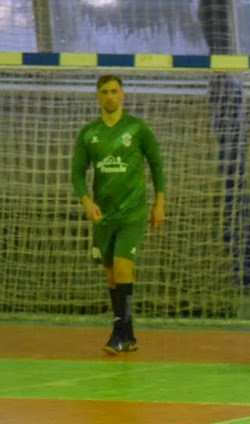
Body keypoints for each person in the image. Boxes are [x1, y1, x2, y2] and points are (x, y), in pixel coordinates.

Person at [71, 74, 166, 355]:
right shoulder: (89, 133)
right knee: (112, 276)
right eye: (104, 92)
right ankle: (127, 335)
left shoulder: (137, 128)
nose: (110, 96)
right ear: (98, 97)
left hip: (133, 213)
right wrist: (86, 201)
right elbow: (77, 173)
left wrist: (160, 202)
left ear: (122, 94)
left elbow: (157, 165)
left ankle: (119, 333)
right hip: (104, 216)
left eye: (114, 91)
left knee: (124, 263)